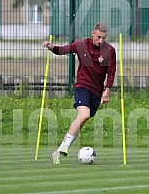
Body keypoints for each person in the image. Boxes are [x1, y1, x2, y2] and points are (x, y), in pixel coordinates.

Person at [43, 22, 116, 164]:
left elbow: (111, 72)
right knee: (84, 114)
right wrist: (51, 47)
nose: (101, 41)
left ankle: (58, 151)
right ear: (93, 33)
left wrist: (107, 91)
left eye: (104, 38)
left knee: (82, 120)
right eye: (99, 37)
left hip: (97, 91)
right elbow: (63, 50)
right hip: (82, 87)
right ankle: (64, 147)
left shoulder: (109, 50)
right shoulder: (81, 45)